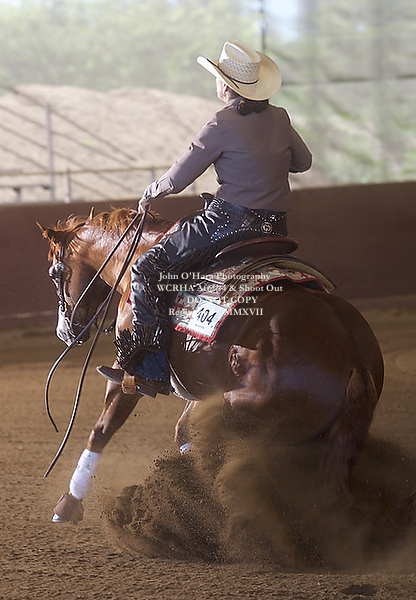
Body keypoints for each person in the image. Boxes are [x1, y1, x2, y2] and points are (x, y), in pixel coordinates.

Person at [97, 39, 312, 397]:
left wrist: (150, 194)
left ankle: (150, 369)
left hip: (229, 223)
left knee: (146, 268)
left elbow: (180, 177)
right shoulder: (281, 117)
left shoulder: (221, 123)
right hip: (275, 227)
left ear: (225, 85)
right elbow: (303, 162)